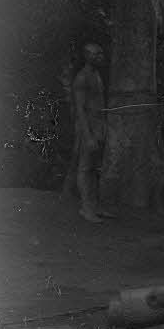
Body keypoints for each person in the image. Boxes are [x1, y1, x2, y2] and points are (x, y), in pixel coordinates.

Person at [69, 42, 110, 223]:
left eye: (101, 53)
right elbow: (80, 110)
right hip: (88, 127)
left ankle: (95, 206)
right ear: (87, 56)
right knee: (85, 168)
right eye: (96, 54)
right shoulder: (82, 78)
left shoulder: (97, 75)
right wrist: (88, 136)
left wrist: (103, 127)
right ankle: (86, 208)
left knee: (96, 168)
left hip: (99, 126)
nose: (100, 57)